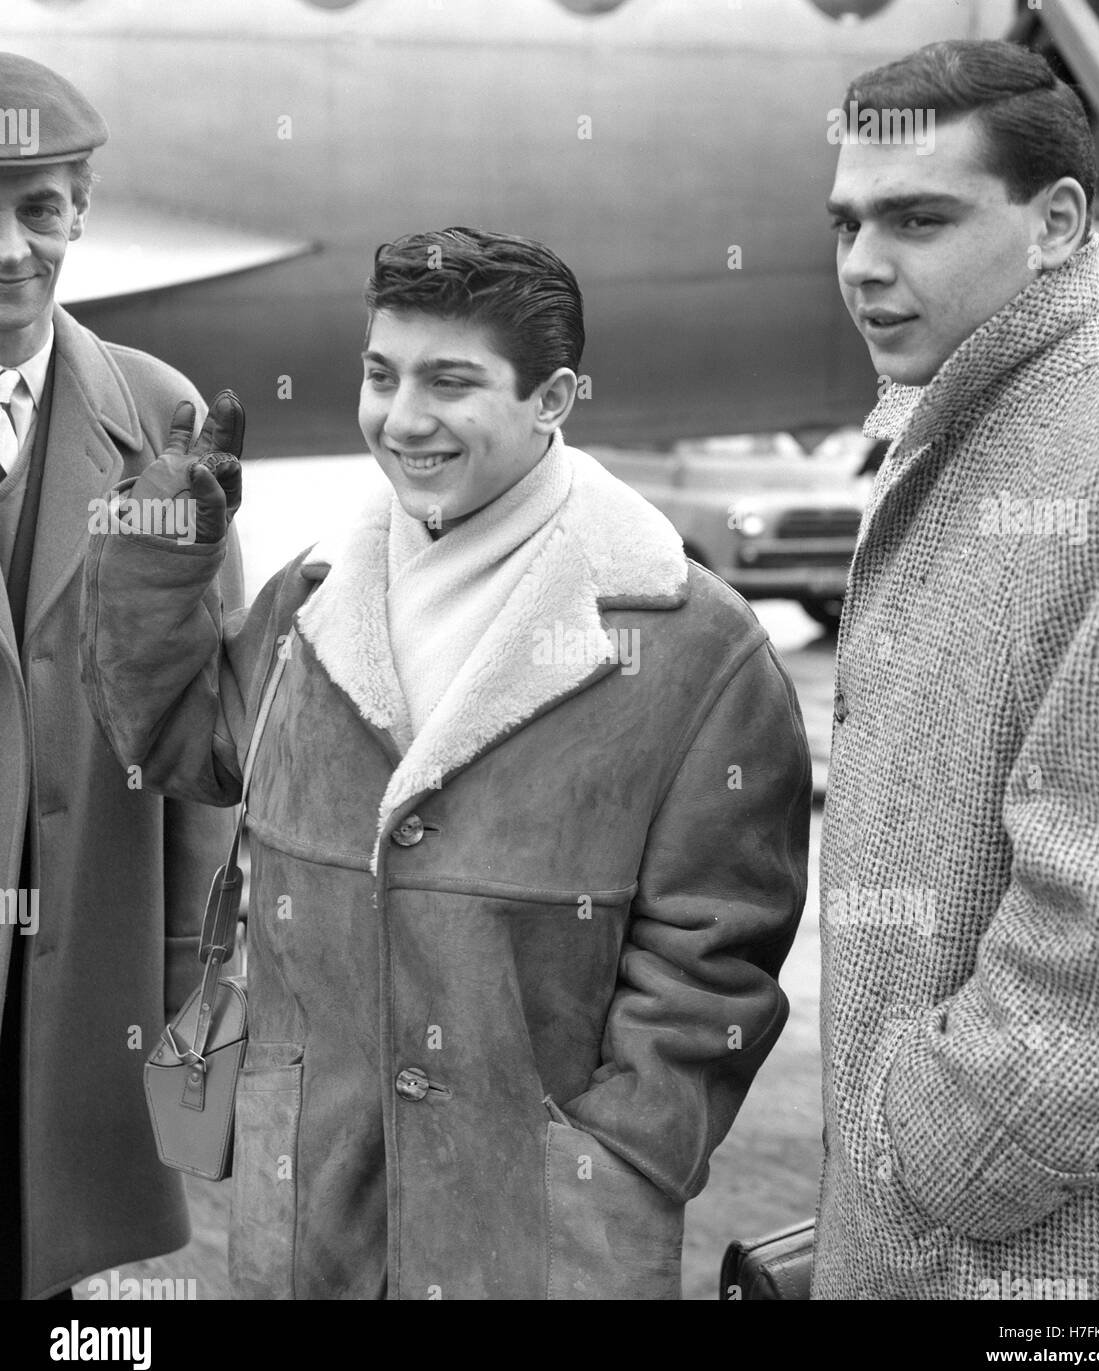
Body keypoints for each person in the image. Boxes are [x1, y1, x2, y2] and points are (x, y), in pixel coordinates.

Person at [81, 227, 812, 1300]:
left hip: (539, 1245)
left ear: (553, 397)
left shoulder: (693, 642)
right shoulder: (313, 595)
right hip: (308, 1226)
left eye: (451, 381)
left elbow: (717, 960)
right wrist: (153, 545)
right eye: (382, 374)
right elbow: (183, 746)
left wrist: (615, 1159)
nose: (402, 416)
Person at [816, 38, 1099, 1301]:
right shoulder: (972, 427)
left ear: (1058, 222)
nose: (864, 264)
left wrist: (937, 1152)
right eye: (848, 221)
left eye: (919, 219)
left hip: (1034, 1262)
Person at [0, 52, 244, 1300]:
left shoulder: (158, 418)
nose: (11, 248)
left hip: (85, 980)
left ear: (83, 211)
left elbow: (210, 749)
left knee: (80, 1298)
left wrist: (189, 1002)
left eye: (41, 207)